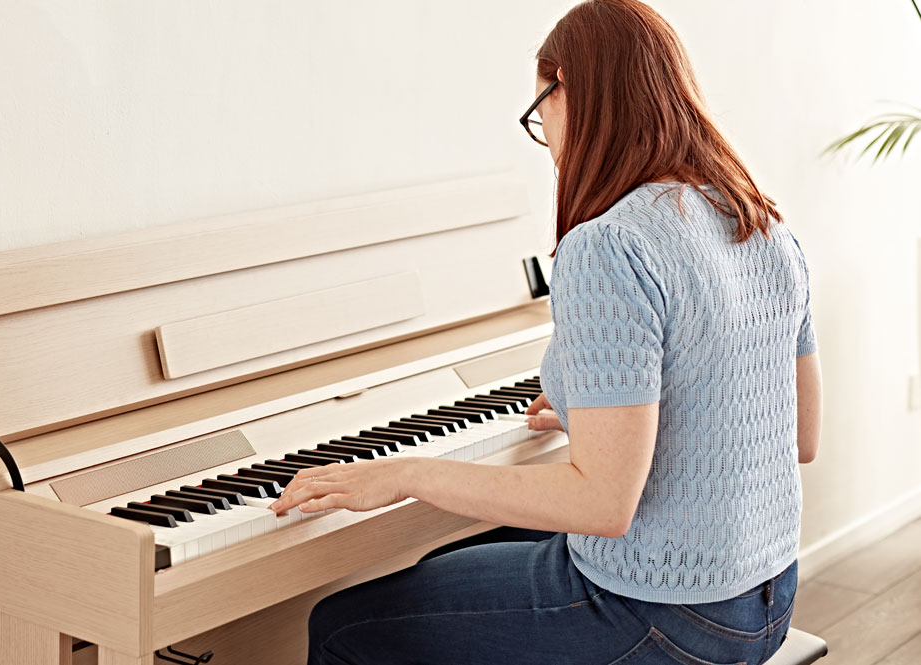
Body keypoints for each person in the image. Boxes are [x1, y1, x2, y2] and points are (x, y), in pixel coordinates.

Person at [265, 1, 822, 663]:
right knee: (460, 554)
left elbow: (604, 503)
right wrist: (610, 422)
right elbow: (799, 436)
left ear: (573, 93)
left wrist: (405, 472)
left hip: (657, 614)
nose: (548, 142)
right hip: (765, 599)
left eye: (540, 113)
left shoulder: (609, 244)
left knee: (343, 624)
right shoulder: (759, 222)